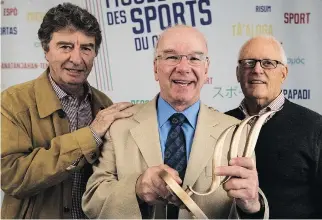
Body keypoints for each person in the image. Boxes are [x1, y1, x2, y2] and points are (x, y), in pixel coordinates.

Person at [82, 25, 268, 219]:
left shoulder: (236, 132)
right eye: (172, 57)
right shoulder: (119, 126)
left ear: (206, 69)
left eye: (195, 58)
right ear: (155, 68)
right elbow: (92, 202)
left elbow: (248, 208)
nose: (183, 68)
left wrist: (253, 206)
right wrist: (136, 188)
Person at [1, 3, 133, 219]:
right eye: (65, 47)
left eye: (86, 48)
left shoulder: (104, 104)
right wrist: (90, 136)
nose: (77, 59)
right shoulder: (13, 102)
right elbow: (12, 176)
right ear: (46, 50)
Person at [225, 35, 322, 218]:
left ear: (284, 73)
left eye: (268, 63)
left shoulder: (315, 128)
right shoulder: (222, 125)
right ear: (238, 73)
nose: (257, 70)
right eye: (249, 62)